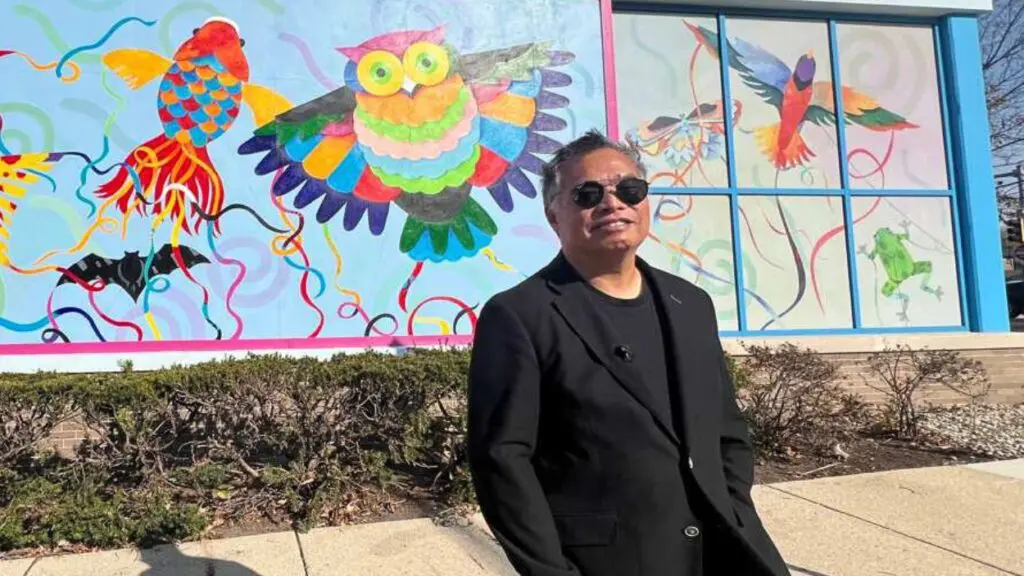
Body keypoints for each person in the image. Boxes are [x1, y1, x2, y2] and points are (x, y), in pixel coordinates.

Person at [466, 129, 789, 576]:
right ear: (554, 215)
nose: (612, 203)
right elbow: (502, 462)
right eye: (587, 193)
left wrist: (733, 508)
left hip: (723, 553)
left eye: (629, 190)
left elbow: (727, 433)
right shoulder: (520, 316)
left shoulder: (691, 304)